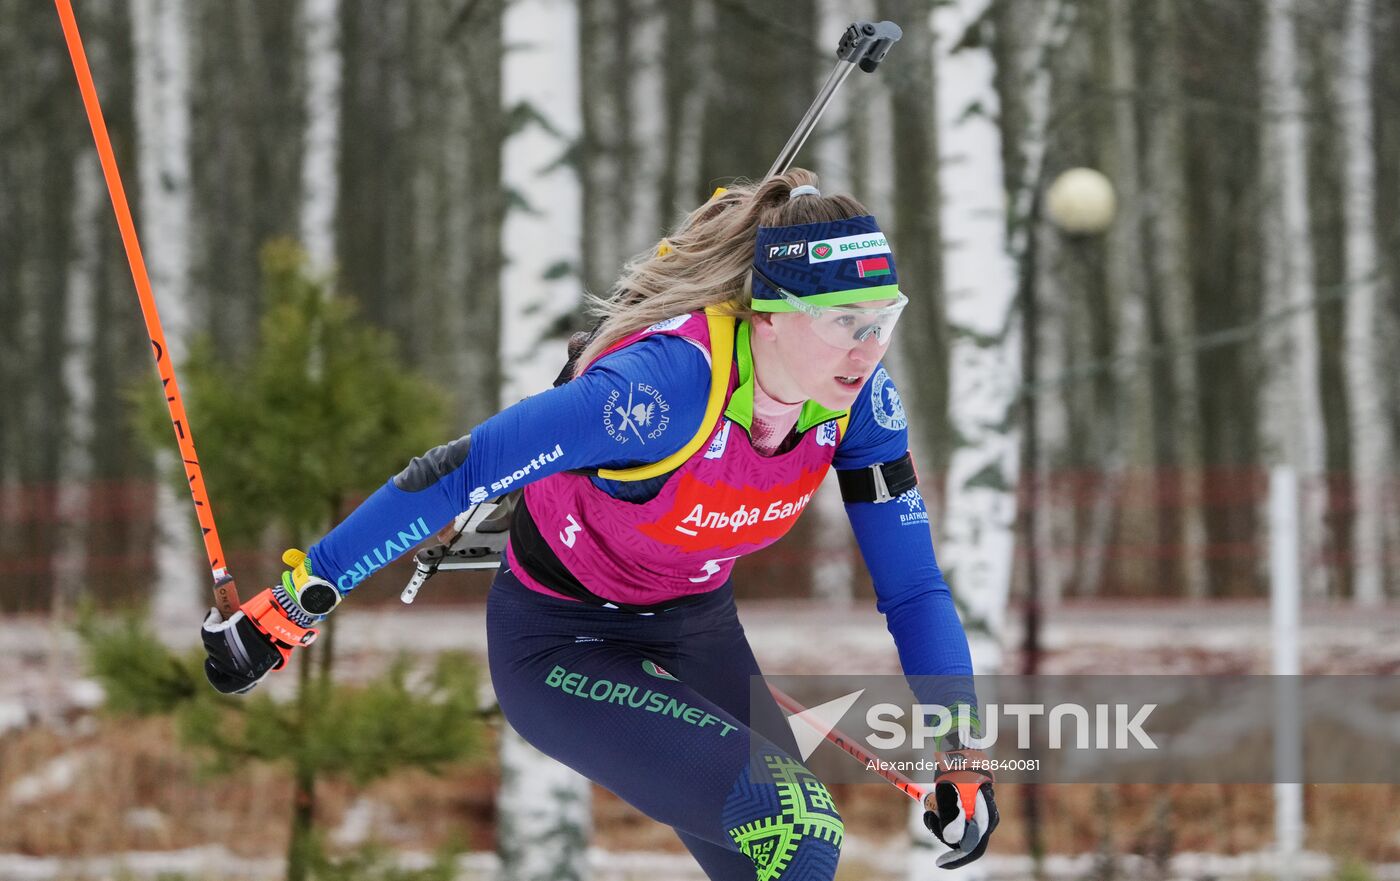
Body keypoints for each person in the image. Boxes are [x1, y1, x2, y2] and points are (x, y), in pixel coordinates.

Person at [199, 169, 998, 880]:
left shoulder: (859, 405)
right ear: (769, 312)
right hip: (561, 642)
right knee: (797, 820)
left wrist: (961, 749)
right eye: (841, 320)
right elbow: (463, 465)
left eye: (881, 320)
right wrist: (294, 603)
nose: (866, 349)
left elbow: (914, 586)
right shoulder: (660, 390)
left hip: (695, 632)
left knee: (795, 859)